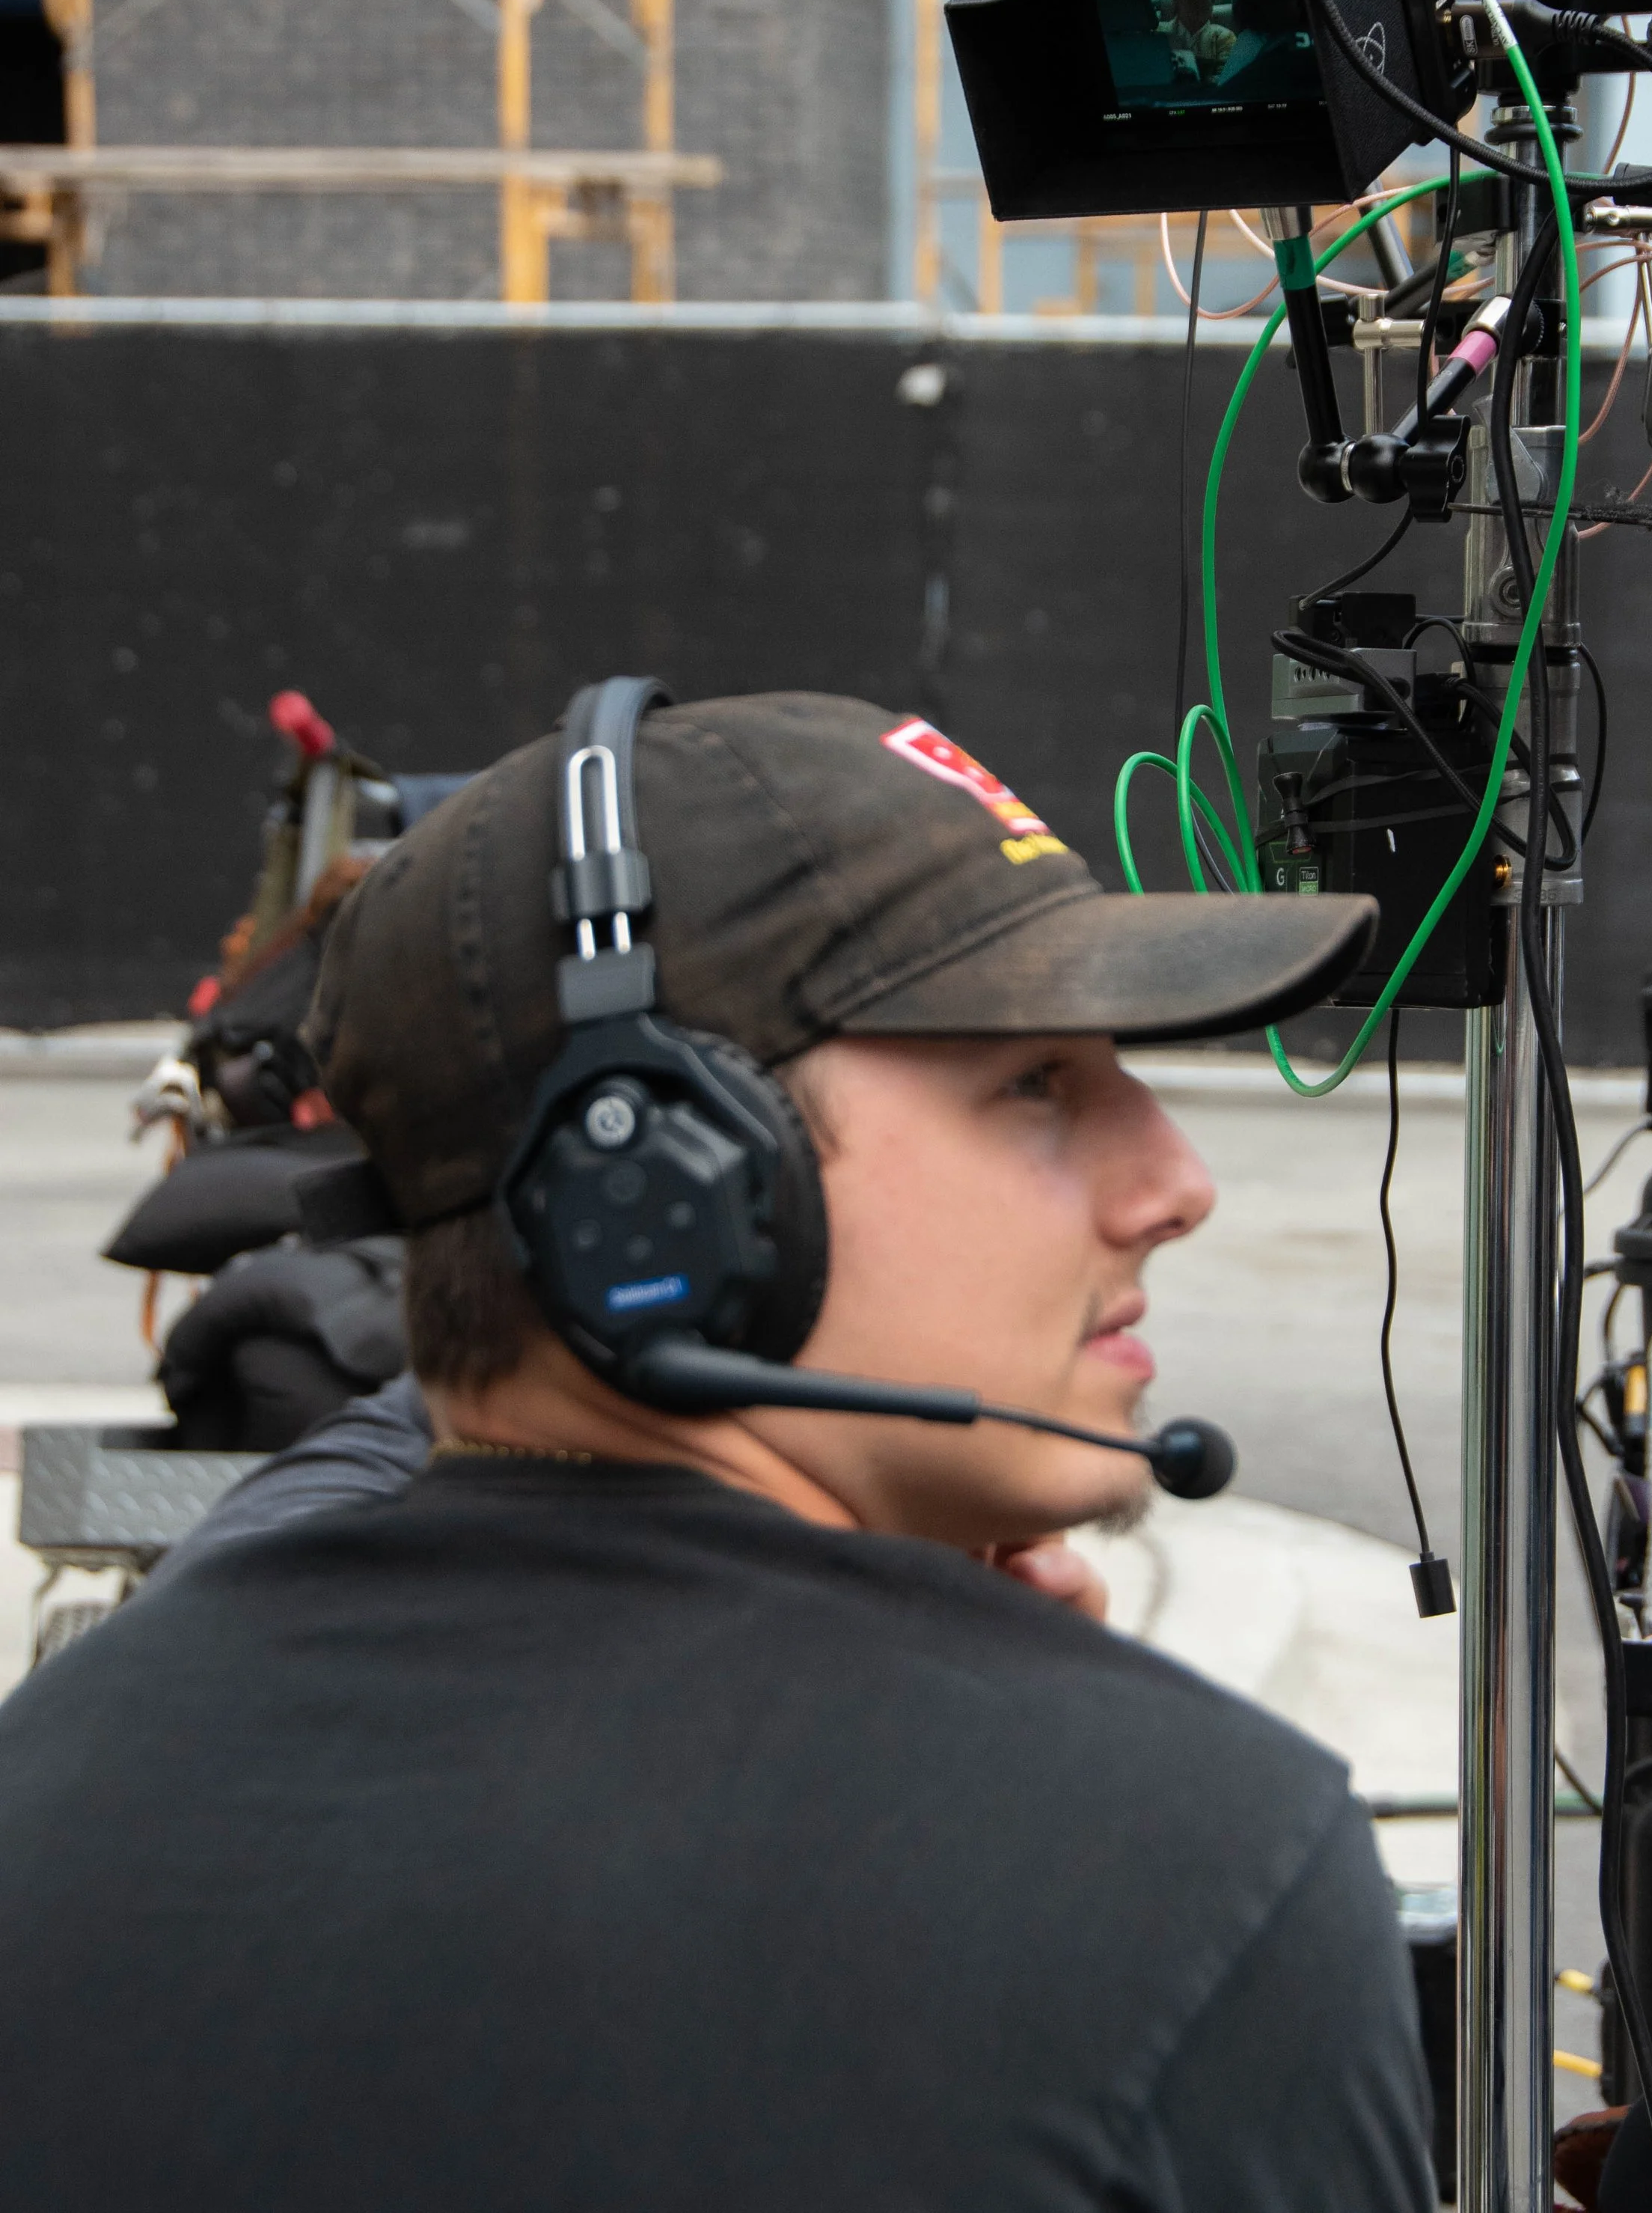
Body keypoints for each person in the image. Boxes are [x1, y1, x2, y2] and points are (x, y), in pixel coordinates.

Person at [0, 688, 1432, 2213]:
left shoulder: (58, 1771)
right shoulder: (1194, 1875)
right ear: (661, 1192)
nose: (1173, 1180)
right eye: (1033, 1082)